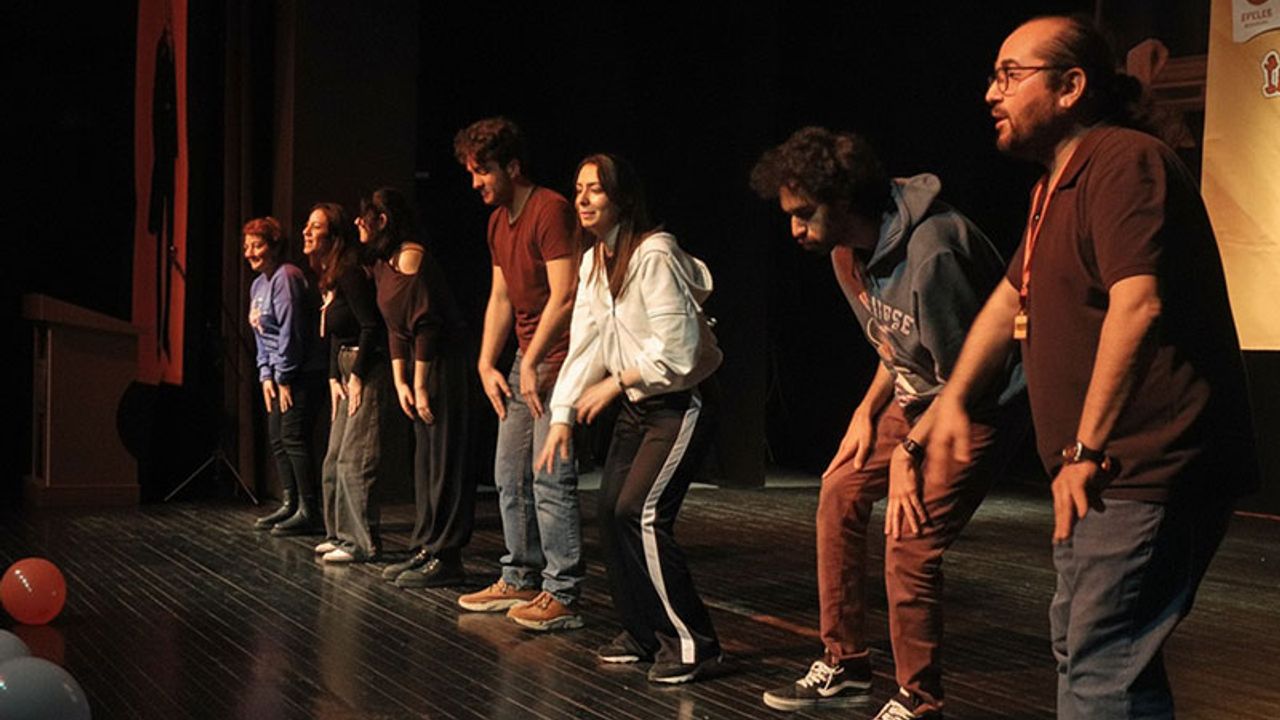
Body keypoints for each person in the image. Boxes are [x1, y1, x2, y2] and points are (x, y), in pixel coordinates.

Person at [927, 16, 1257, 719]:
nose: (991, 92)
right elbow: (1007, 301)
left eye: (1010, 75)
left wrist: (1085, 449)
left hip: (1145, 465)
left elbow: (1138, 306)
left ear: (1071, 86)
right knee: (1087, 654)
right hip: (1103, 473)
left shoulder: (1124, 161)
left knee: (1104, 668)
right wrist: (953, 399)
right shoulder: (1055, 186)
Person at [750, 128, 1026, 719]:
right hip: (919, 396)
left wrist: (910, 452)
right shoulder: (846, 254)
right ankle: (846, 662)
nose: (794, 229)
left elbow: (967, 376)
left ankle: (919, 701)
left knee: (909, 538)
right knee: (839, 490)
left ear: (845, 202)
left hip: (975, 403)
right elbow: (897, 344)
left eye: (804, 214)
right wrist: (866, 411)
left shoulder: (934, 252)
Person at [537, 153, 724, 683]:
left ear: (621, 198)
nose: (582, 199)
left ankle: (694, 644)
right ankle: (642, 632)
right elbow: (586, 343)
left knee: (641, 514)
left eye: (595, 189)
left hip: (680, 403)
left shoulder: (654, 254)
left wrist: (616, 382)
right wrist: (562, 415)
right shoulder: (595, 261)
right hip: (637, 408)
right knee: (608, 511)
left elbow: (679, 352)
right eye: (578, 189)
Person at [452, 117, 586, 630]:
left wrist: (532, 361)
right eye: (471, 173)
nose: (475, 183)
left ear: (511, 167)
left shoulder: (550, 210)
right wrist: (487, 361)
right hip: (527, 358)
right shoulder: (496, 222)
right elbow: (501, 297)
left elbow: (566, 295)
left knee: (549, 476)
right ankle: (521, 575)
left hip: (560, 356)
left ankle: (563, 591)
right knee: (509, 475)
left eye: (482, 171)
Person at [362, 187, 476, 587]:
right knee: (425, 461)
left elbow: (426, 325)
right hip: (418, 366)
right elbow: (396, 328)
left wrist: (421, 384)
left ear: (383, 220)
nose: (359, 221)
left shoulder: (412, 255)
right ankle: (426, 545)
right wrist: (400, 381)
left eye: (366, 215)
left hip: (443, 365)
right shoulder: (382, 263)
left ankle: (447, 555)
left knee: (444, 460)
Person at [303, 202, 390, 563]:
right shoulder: (332, 275)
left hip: (365, 366)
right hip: (344, 367)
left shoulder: (352, 273)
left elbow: (371, 327)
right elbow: (335, 332)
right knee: (333, 459)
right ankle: (338, 534)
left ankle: (360, 543)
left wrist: (356, 376)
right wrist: (332, 377)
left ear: (334, 236)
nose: (306, 232)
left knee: (356, 458)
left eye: (315, 226)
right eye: (308, 225)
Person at [245, 216, 325, 535]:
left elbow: (292, 331)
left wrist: (284, 377)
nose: (250, 253)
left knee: (293, 436)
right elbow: (262, 336)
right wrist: (265, 374)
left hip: (301, 372)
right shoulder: (258, 285)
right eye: (247, 246)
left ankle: (310, 511)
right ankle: (291, 503)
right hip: (279, 372)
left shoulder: (286, 277)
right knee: (278, 437)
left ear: (274, 247)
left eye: (257, 245)